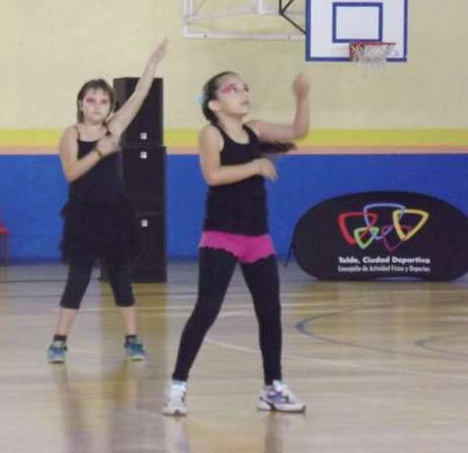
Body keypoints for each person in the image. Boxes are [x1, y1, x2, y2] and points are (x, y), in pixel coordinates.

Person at [163, 71, 310, 416]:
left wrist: (302, 98)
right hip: (222, 236)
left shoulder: (254, 130)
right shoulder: (211, 133)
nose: (243, 93)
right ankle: (177, 386)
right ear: (215, 104)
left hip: (257, 237)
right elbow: (213, 175)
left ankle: (272, 387)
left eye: (245, 87)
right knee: (207, 309)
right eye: (233, 89)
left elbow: (298, 131)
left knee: (270, 311)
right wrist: (255, 165)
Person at [47, 39, 168, 364]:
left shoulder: (114, 128)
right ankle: (59, 341)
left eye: (103, 101)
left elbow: (140, 96)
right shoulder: (71, 134)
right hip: (84, 216)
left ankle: (132, 339)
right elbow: (72, 173)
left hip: (116, 215)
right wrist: (100, 152)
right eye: (91, 100)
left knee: (121, 279)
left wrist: (152, 64)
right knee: (78, 278)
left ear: (111, 106)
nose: (97, 106)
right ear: (80, 103)